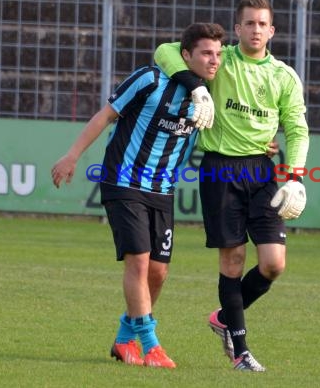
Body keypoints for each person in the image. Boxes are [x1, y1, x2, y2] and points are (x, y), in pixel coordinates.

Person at [51, 23, 226, 368]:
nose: (214, 60)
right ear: (185, 54)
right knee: (139, 261)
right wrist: (72, 155)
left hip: (162, 190)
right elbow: (106, 115)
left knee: (158, 273)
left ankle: (123, 338)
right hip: (124, 182)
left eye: (218, 54)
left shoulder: (205, 95)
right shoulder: (149, 79)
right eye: (206, 53)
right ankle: (151, 345)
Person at [154, 0, 309, 371]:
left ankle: (225, 317)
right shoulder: (219, 61)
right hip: (220, 169)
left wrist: (295, 177)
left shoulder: (283, 75)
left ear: (271, 31)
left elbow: (297, 128)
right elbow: (164, 51)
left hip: (261, 171)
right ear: (237, 28)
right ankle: (241, 354)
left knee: (273, 263)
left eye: (262, 24)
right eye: (249, 23)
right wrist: (197, 86)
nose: (256, 30)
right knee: (234, 259)